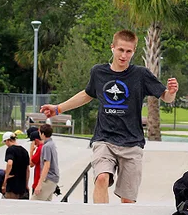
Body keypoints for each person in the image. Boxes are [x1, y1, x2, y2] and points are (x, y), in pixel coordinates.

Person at [41, 29, 178, 204]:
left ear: (134, 51)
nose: (124, 55)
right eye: (120, 50)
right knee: (101, 178)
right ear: (112, 47)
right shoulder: (98, 72)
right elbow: (87, 94)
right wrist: (58, 108)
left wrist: (171, 92)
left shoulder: (141, 74)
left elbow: (165, 97)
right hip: (104, 139)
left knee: (128, 201)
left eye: (128, 51)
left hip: (132, 143)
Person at [31, 123, 59, 201]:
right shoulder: (52, 144)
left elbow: (47, 165)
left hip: (48, 179)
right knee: (46, 204)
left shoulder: (46, 147)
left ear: (43, 134)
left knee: (34, 202)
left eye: (40, 133)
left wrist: (39, 184)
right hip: (54, 179)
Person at [1, 132, 30, 199]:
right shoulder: (24, 151)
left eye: (5, 142)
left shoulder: (10, 150)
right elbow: (27, 170)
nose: (6, 144)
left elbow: (9, 163)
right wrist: (26, 184)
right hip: (22, 187)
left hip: (12, 185)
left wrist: (5, 179)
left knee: (9, 203)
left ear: (8, 140)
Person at [27, 128, 43, 196]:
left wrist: (31, 151)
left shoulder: (40, 148)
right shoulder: (46, 146)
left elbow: (31, 164)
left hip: (38, 181)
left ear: (36, 140)